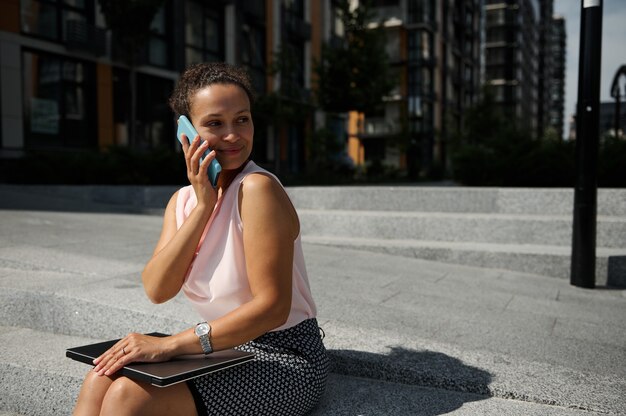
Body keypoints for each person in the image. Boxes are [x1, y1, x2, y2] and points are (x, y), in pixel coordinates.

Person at [72, 62, 329, 416]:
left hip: (285, 355)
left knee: (125, 396)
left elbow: (272, 307)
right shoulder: (183, 201)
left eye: (242, 119)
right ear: (187, 133)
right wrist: (204, 205)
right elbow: (158, 289)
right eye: (214, 123)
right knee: (99, 378)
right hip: (223, 347)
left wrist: (171, 345)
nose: (233, 135)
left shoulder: (257, 189)